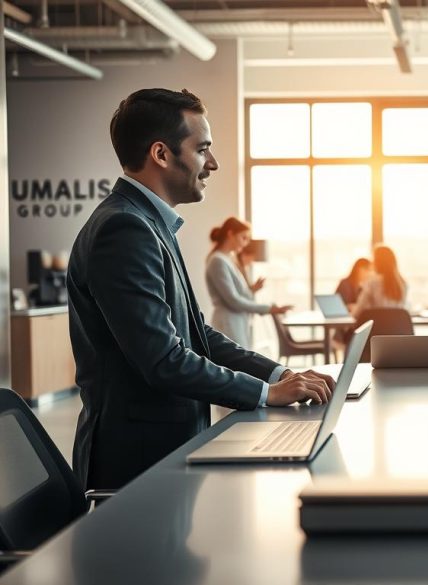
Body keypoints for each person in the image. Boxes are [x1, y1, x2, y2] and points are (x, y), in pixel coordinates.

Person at [68, 88, 336, 490]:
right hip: (138, 463)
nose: (213, 163)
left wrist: (282, 375)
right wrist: (266, 394)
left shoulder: (149, 224)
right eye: (203, 149)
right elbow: (164, 359)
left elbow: (196, 334)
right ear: (161, 154)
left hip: (163, 451)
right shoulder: (123, 229)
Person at [205, 216, 291, 349]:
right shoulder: (218, 261)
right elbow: (233, 300)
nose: (245, 243)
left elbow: (236, 295)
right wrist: (269, 309)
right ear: (230, 234)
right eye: (243, 238)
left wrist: (252, 290)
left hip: (237, 322)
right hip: (228, 324)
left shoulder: (228, 260)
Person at [350, 245, 408, 318]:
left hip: (376, 328)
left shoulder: (372, 282)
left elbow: (357, 313)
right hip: (398, 329)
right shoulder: (403, 284)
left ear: (377, 262)